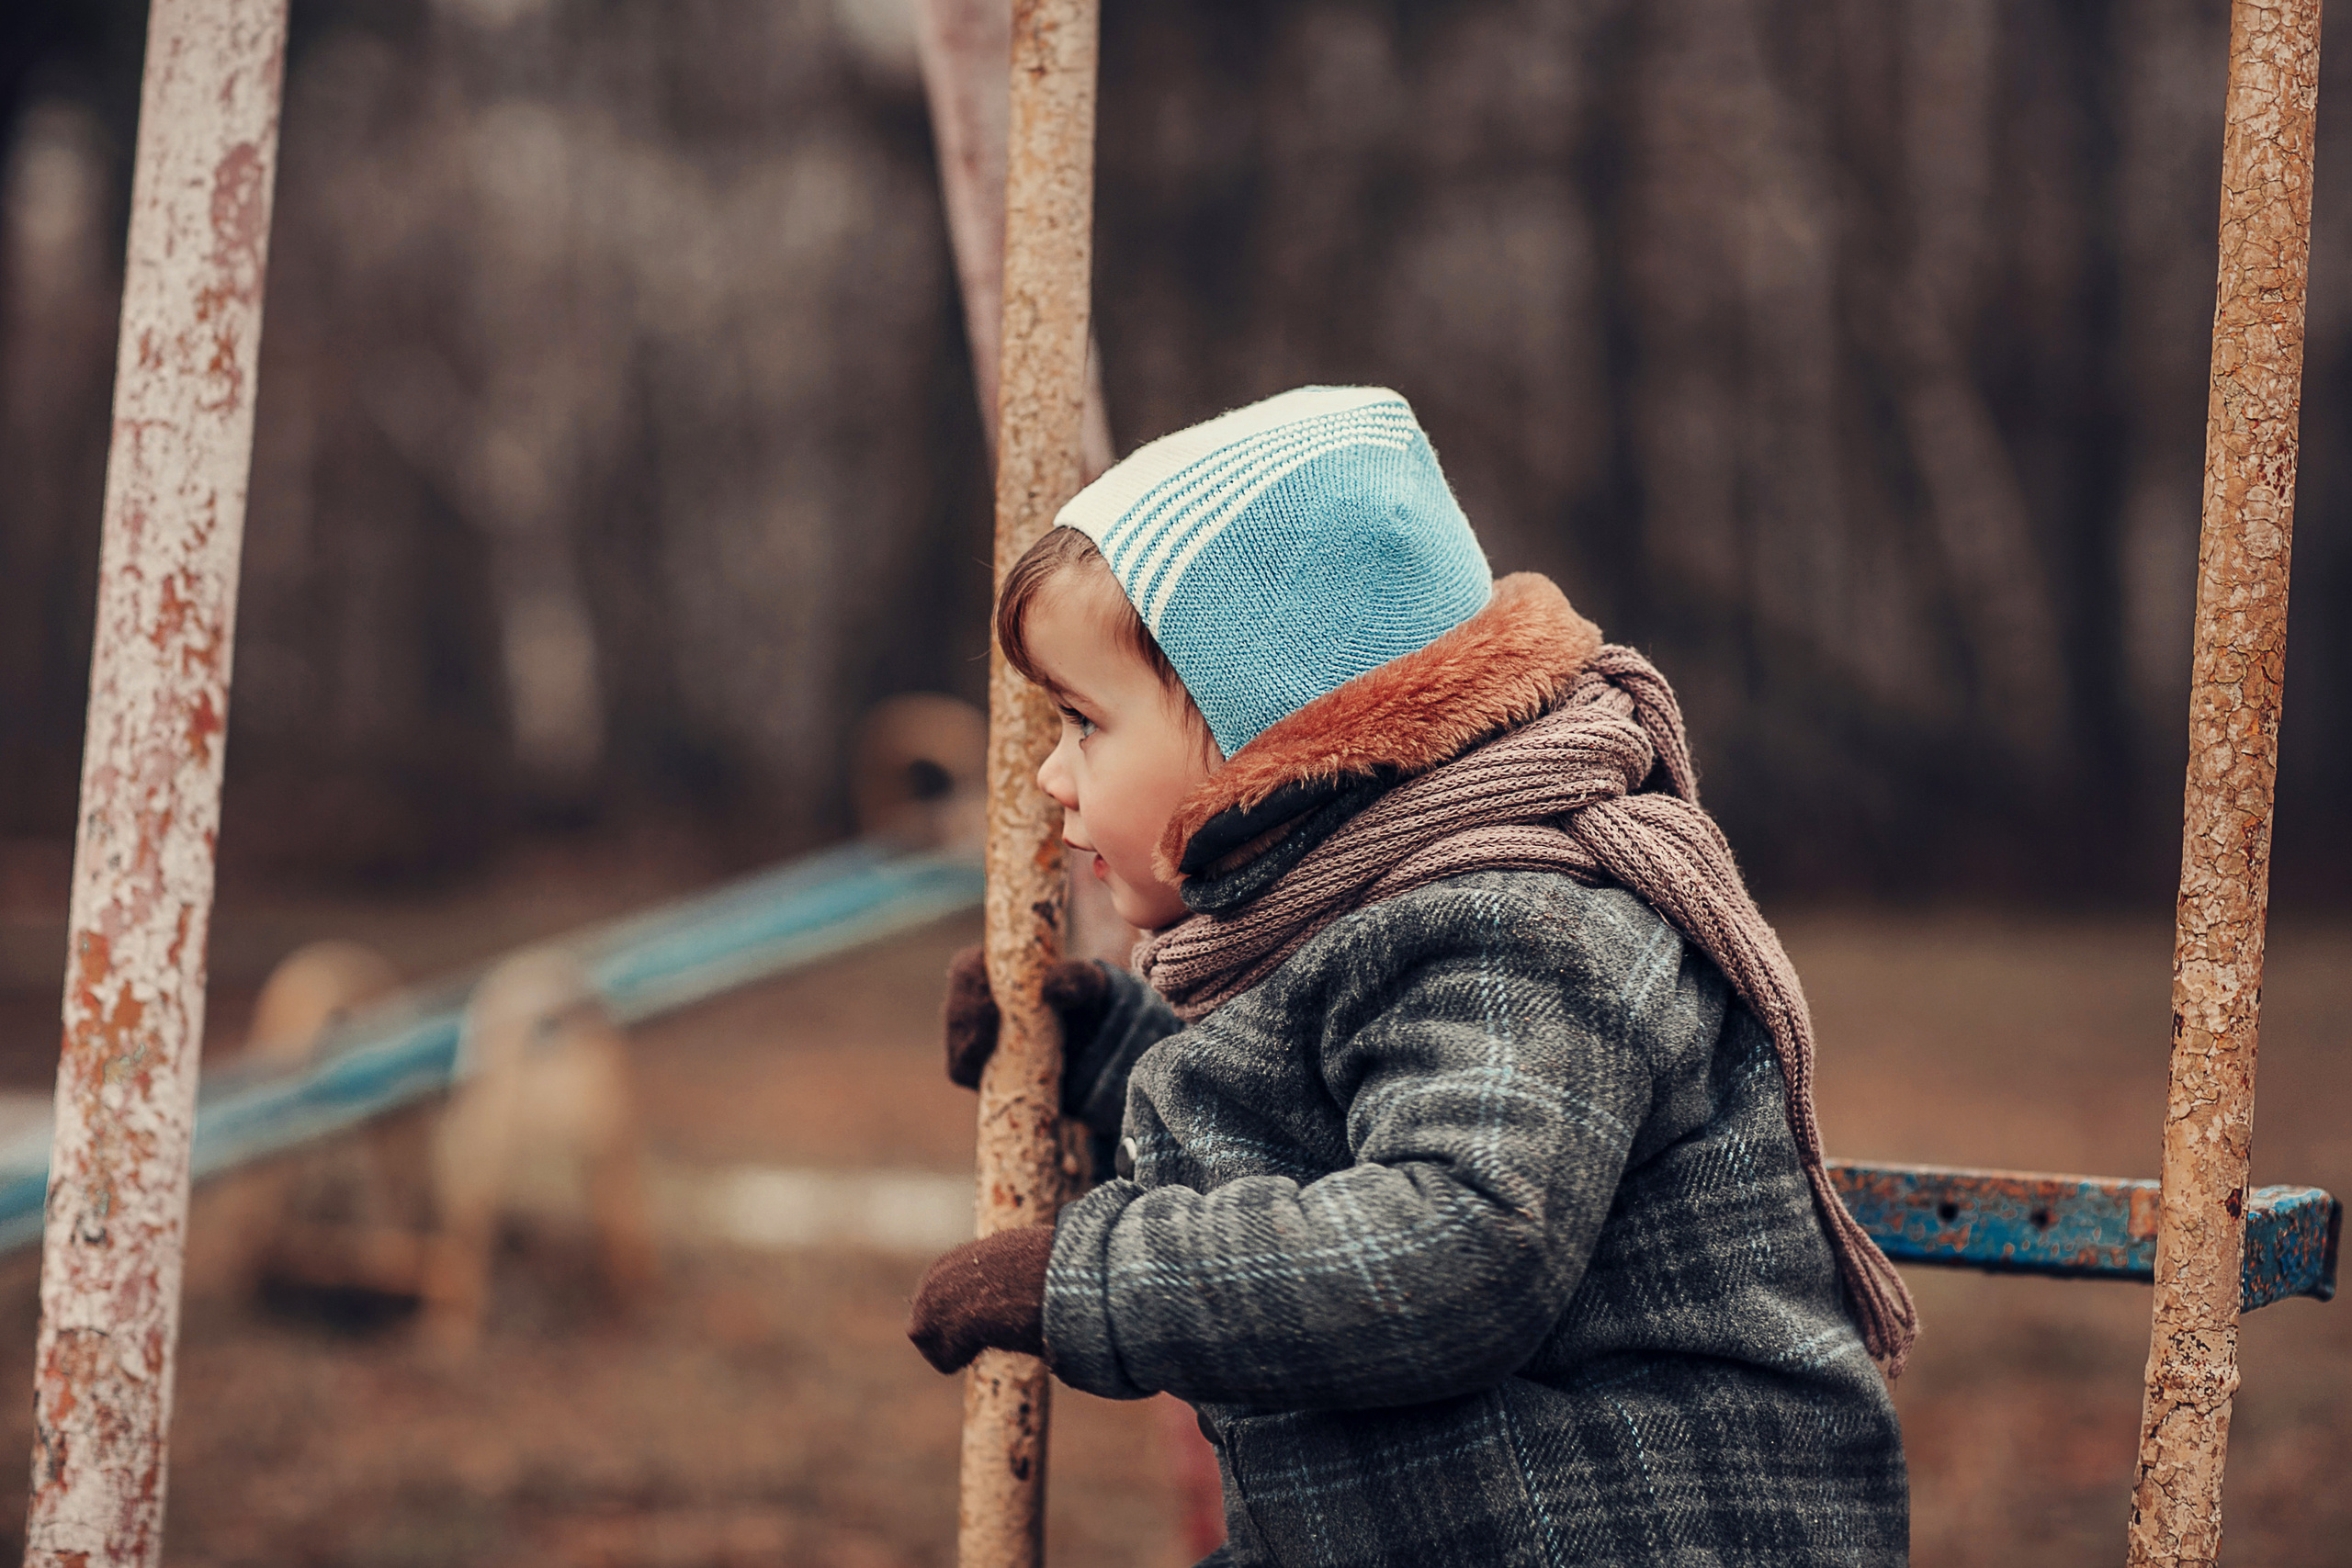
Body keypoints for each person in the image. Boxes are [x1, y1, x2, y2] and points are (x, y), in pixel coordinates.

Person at [907, 385, 1915, 1567]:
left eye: (1082, 722)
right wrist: (1109, 1058)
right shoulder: (1376, 913)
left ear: (1263, 727)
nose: (1050, 779)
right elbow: (1324, 1128)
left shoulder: (1516, 925)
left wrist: (1092, 1281)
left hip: (1640, 1527)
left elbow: (1457, 1252)